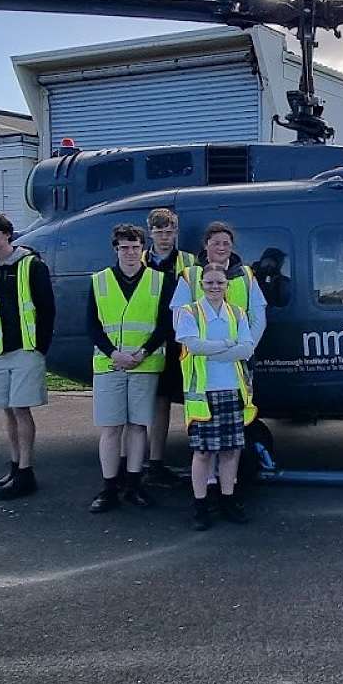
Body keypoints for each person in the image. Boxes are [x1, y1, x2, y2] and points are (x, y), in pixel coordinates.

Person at [170, 221, 267, 496]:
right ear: (206, 246)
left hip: (238, 366)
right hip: (203, 370)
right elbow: (178, 319)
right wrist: (224, 349)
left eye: (226, 243)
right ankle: (208, 487)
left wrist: (247, 349)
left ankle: (228, 488)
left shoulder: (246, 275)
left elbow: (258, 317)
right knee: (205, 444)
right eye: (216, 243)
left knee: (231, 440)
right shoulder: (189, 276)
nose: (221, 248)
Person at [87, 223, 176, 514]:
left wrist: (143, 352)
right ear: (116, 249)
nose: (130, 253)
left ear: (143, 249)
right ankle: (109, 488)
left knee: (138, 427)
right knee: (111, 428)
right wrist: (114, 353)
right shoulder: (99, 280)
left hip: (144, 364)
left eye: (135, 247)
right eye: (124, 248)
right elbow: (92, 325)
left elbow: (165, 324)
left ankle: (135, 485)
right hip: (109, 364)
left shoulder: (159, 281)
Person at [0, 212, 55, 501]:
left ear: (7, 234)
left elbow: (47, 308)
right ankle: (14, 464)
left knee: (21, 409)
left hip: (25, 348)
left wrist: (39, 346)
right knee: (6, 409)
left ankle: (26, 471)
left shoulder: (32, 265)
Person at [175, 265, 259, 531]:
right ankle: (200, 506)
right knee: (202, 453)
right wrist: (226, 346)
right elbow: (192, 345)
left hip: (232, 389)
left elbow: (246, 349)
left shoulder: (237, 313)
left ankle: (227, 500)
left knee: (230, 451)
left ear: (227, 285)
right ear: (201, 284)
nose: (215, 287)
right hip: (203, 394)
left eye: (220, 283)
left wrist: (212, 352)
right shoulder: (189, 312)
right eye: (210, 283)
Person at [141, 208, 196, 490]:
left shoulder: (189, 262)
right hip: (148, 341)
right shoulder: (138, 261)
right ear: (150, 232)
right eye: (160, 232)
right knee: (153, 404)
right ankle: (147, 462)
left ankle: (193, 459)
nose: (165, 237)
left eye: (170, 231)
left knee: (185, 401)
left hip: (179, 343)